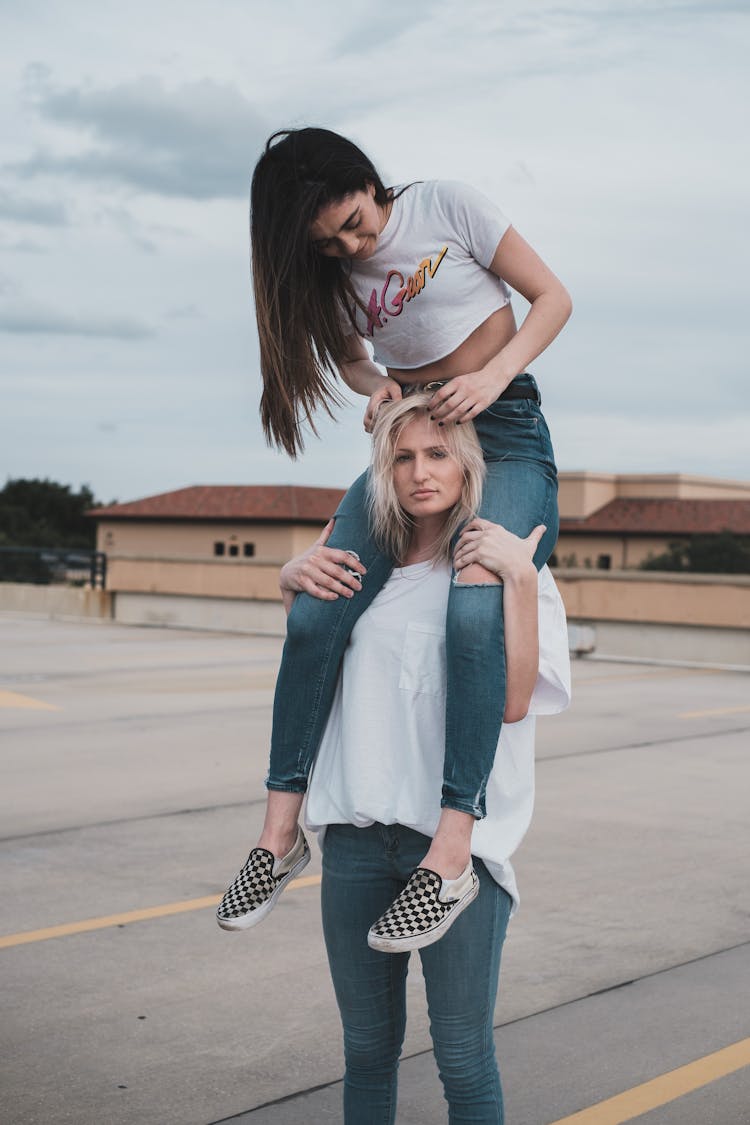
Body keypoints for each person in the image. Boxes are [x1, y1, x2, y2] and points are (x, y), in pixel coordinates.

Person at [217, 126, 571, 945]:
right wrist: (378, 389)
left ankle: (451, 856)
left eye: (354, 221)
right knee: (316, 597)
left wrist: (492, 374)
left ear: (369, 183)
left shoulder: (446, 204)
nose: (352, 243)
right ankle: (277, 836)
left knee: (474, 605)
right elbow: (352, 361)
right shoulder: (335, 278)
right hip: (411, 440)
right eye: (330, 241)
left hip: (504, 429)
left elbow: (554, 297)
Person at [251, 396, 571, 1123]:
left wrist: (519, 577)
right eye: (403, 458)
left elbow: (515, 700)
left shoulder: (507, 567)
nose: (420, 472)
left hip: (458, 854)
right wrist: (290, 583)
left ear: (470, 461)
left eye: (438, 453)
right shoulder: (367, 574)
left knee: (462, 1055)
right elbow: (317, 671)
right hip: (358, 842)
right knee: (365, 1050)